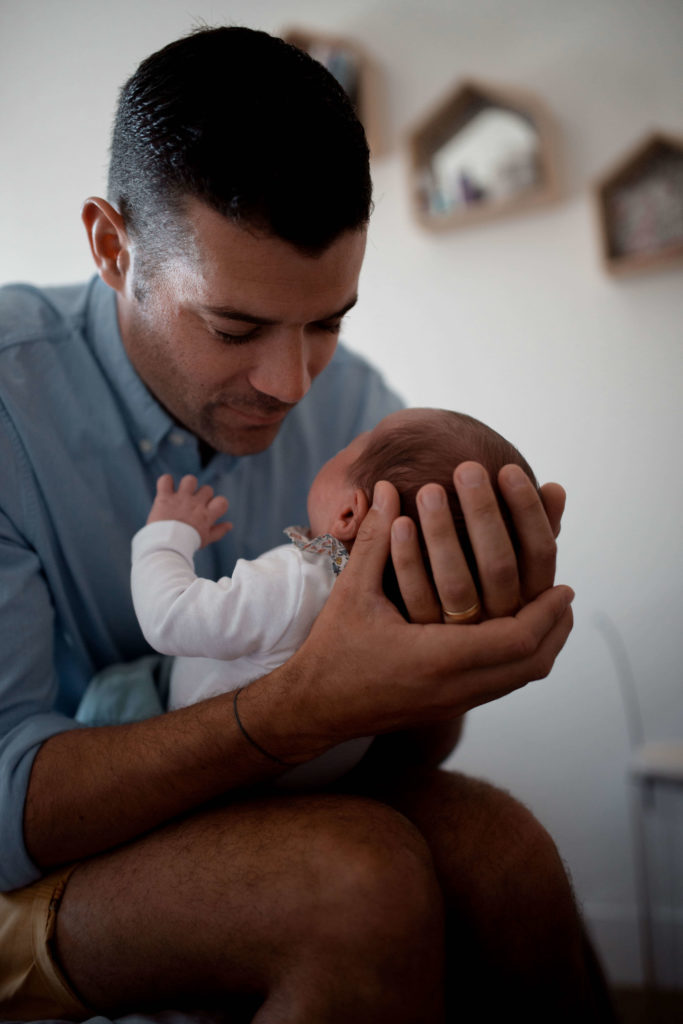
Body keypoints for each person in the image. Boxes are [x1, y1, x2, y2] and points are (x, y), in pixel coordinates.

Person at [0, 24, 612, 1024]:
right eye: (234, 327)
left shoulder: (361, 414)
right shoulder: (7, 400)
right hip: (32, 856)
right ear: (113, 248)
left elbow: (410, 752)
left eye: (327, 321)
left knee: (505, 852)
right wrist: (299, 708)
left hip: (240, 793)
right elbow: (5, 807)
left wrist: (448, 642)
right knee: (353, 887)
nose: (289, 384)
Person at [121, 408, 538, 790]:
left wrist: (168, 537)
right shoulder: (408, 634)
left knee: (107, 701)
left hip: (166, 724)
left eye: (351, 446)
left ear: (348, 515)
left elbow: (170, 619)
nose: (343, 441)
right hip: (297, 794)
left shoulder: (297, 581)